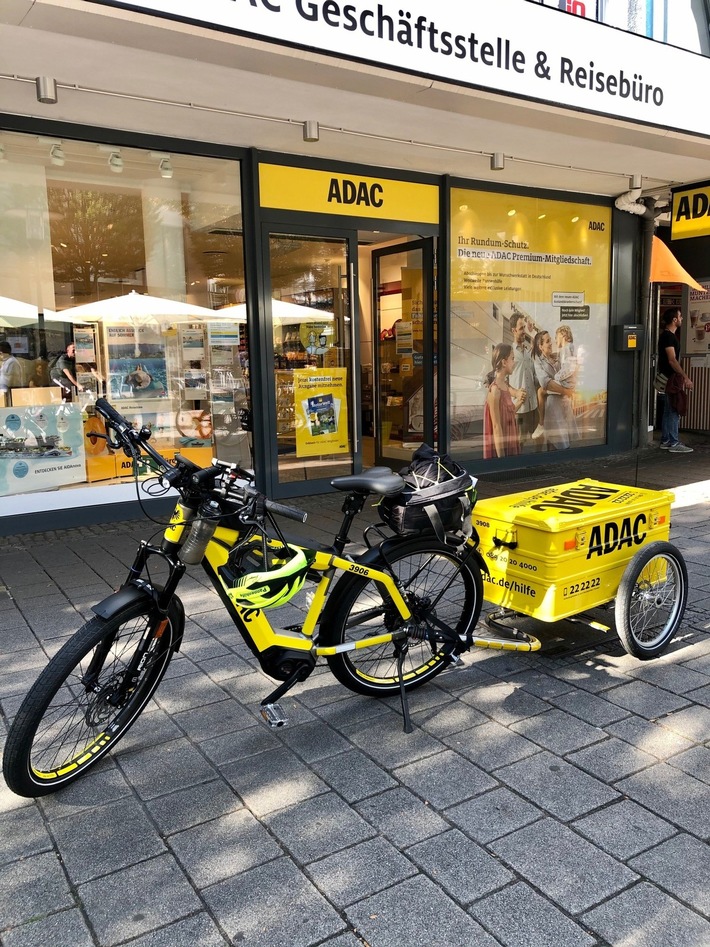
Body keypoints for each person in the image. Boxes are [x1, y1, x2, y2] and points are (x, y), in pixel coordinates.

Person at [532, 330, 578, 450]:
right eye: (547, 341)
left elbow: (570, 371)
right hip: (552, 405)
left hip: (564, 403)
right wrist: (566, 391)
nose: (551, 343)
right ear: (540, 346)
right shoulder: (538, 361)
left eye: (551, 339)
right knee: (554, 441)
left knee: (566, 440)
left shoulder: (558, 356)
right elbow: (545, 383)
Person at [658, 308, 694, 453]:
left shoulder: (667, 336)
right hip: (671, 378)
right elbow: (672, 360)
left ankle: (666, 440)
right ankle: (673, 442)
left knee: (668, 409)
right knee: (674, 408)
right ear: (674, 320)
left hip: (667, 377)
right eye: (680, 316)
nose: (682, 319)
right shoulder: (668, 337)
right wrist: (685, 377)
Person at [483, 343, 525, 459]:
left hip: (510, 438)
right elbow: (496, 427)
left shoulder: (505, 386)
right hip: (502, 446)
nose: (514, 362)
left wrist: (520, 401)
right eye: (512, 358)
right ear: (504, 362)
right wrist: (502, 461)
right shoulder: (495, 390)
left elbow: (508, 412)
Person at [509, 312, 539, 448]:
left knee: (537, 440)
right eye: (521, 328)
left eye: (524, 328)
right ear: (513, 330)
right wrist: (515, 393)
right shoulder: (508, 353)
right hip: (519, 408)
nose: (523, 332)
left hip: (533, 406)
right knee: (519, 443)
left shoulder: (528, 352)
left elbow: (534, 376)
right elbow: (502, 382)